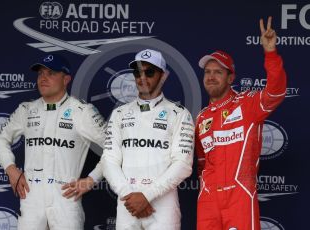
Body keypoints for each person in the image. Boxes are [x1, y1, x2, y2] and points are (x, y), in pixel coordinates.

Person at [0, 53, 107, 230]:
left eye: (51, 73)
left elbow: (114, 146)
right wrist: (10, 169)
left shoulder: (82, 111)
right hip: (31, 197)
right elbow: (0, 138)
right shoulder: (27, 109)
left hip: (66, 197)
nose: (43, 78)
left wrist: (91, 179)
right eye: (40, 74)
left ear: (66, 79)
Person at [195, 17, 287, 230]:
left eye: (218, 72)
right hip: (209, 198)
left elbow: (276, 92)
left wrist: (270, 53)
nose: (211, 77)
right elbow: (202, 162)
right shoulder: (201, 117)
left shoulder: (247, 104)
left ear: (230, 77)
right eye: (207, 72)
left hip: (239, 194)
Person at [101, 48, 194, 230]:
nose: (142, 77)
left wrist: (147, 196)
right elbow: (108, 161)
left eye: (149, 72)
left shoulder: (179, 114)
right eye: (137, 72)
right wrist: (131, 196)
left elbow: (183, 164)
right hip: (127, 203)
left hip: (163, 205)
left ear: (163, 76)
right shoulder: (119, 113)